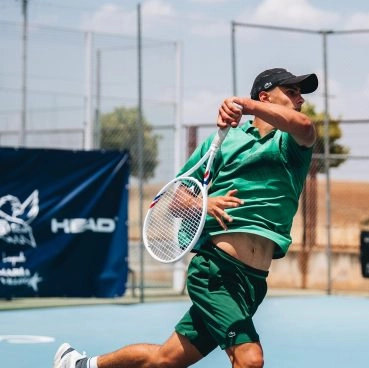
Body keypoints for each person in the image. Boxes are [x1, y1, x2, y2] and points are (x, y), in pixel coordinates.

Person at [53, 67, 318, 368]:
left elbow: (306, 127)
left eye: (301, 94)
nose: (300, 100)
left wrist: (244, 105)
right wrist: (205, 205)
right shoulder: (225, 141)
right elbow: (176, 199)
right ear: (265, 96)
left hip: (253, 283)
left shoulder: (292, 145)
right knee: (250, 359)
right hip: (215, 272)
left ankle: (81, 365)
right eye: (292, 92)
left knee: (164, 360)